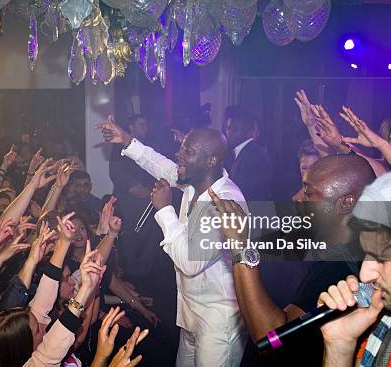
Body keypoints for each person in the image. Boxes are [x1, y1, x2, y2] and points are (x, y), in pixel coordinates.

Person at [97, 115, 247, 366]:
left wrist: (164, 210)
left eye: (188, 150)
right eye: (182, 147)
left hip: (218, 319)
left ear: (211, 160)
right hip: (191, 310)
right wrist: (127, 141)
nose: (179, 153)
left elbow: (190, 262)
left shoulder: (225, 201)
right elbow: (161, 165)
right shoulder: (194, 183)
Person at [209, 153, 376, 366]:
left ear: (346, 203)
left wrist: (241, 247)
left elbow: (273, 338)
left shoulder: (342, 270)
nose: (296, 198)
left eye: (308, 193)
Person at [318, 162, 391, 366]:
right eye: (366, 253)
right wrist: (339, 343)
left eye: (382, 258)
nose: (365, 275)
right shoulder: (389, 316)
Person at [109, 114, 158, 278]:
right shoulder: (119, 147)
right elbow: (116, 172)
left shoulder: (148, 146)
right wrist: (134, 188)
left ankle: (145, 282)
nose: (146, 128)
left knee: (147, 245)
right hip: (128, 205)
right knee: (130, 245)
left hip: (146, 206)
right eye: (141, 124)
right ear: (131, 126)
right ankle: (131, 282)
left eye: (146, 125)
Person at [224, 107, 272, 202]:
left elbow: (243, 189)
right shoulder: (236, 152)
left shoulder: (255, 155)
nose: (228, 132)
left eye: (235, 129)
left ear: (249, 132)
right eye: (228, 128)